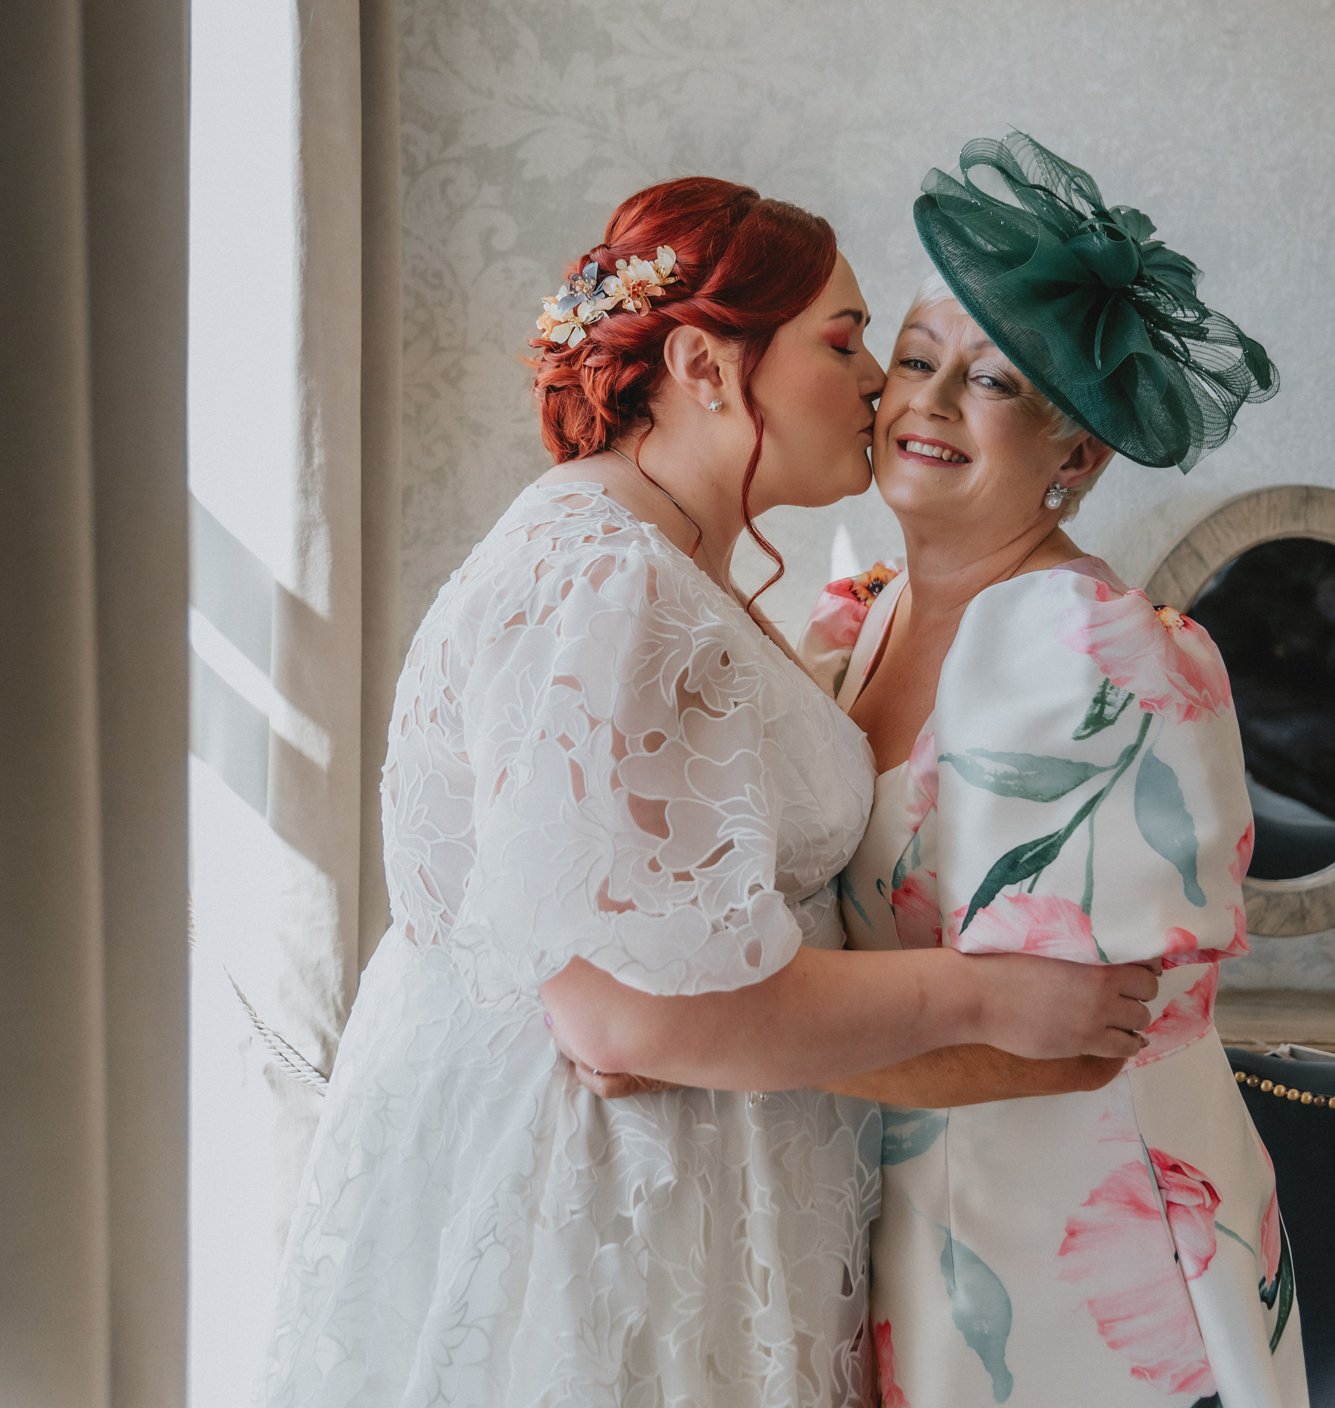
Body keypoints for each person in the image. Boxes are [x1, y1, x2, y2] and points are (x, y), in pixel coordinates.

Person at [264, 174, 1157, 1408]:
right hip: (599, 1205)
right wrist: (989, 996)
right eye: (847, 345)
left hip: (701, 1190)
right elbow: (627, 1024)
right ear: (702, 362)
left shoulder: (664, 568)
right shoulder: (606, 581)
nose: (878, 389)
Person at [801, 132, 1306, 1408]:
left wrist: (722, 1044)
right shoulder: (862, 619)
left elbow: (1070, 1042)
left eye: (994, 384)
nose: (926, 401)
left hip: (1078, 1239)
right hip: (913, 1202)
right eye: (915, 361)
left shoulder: (1093, 647)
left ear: (1075, 460)